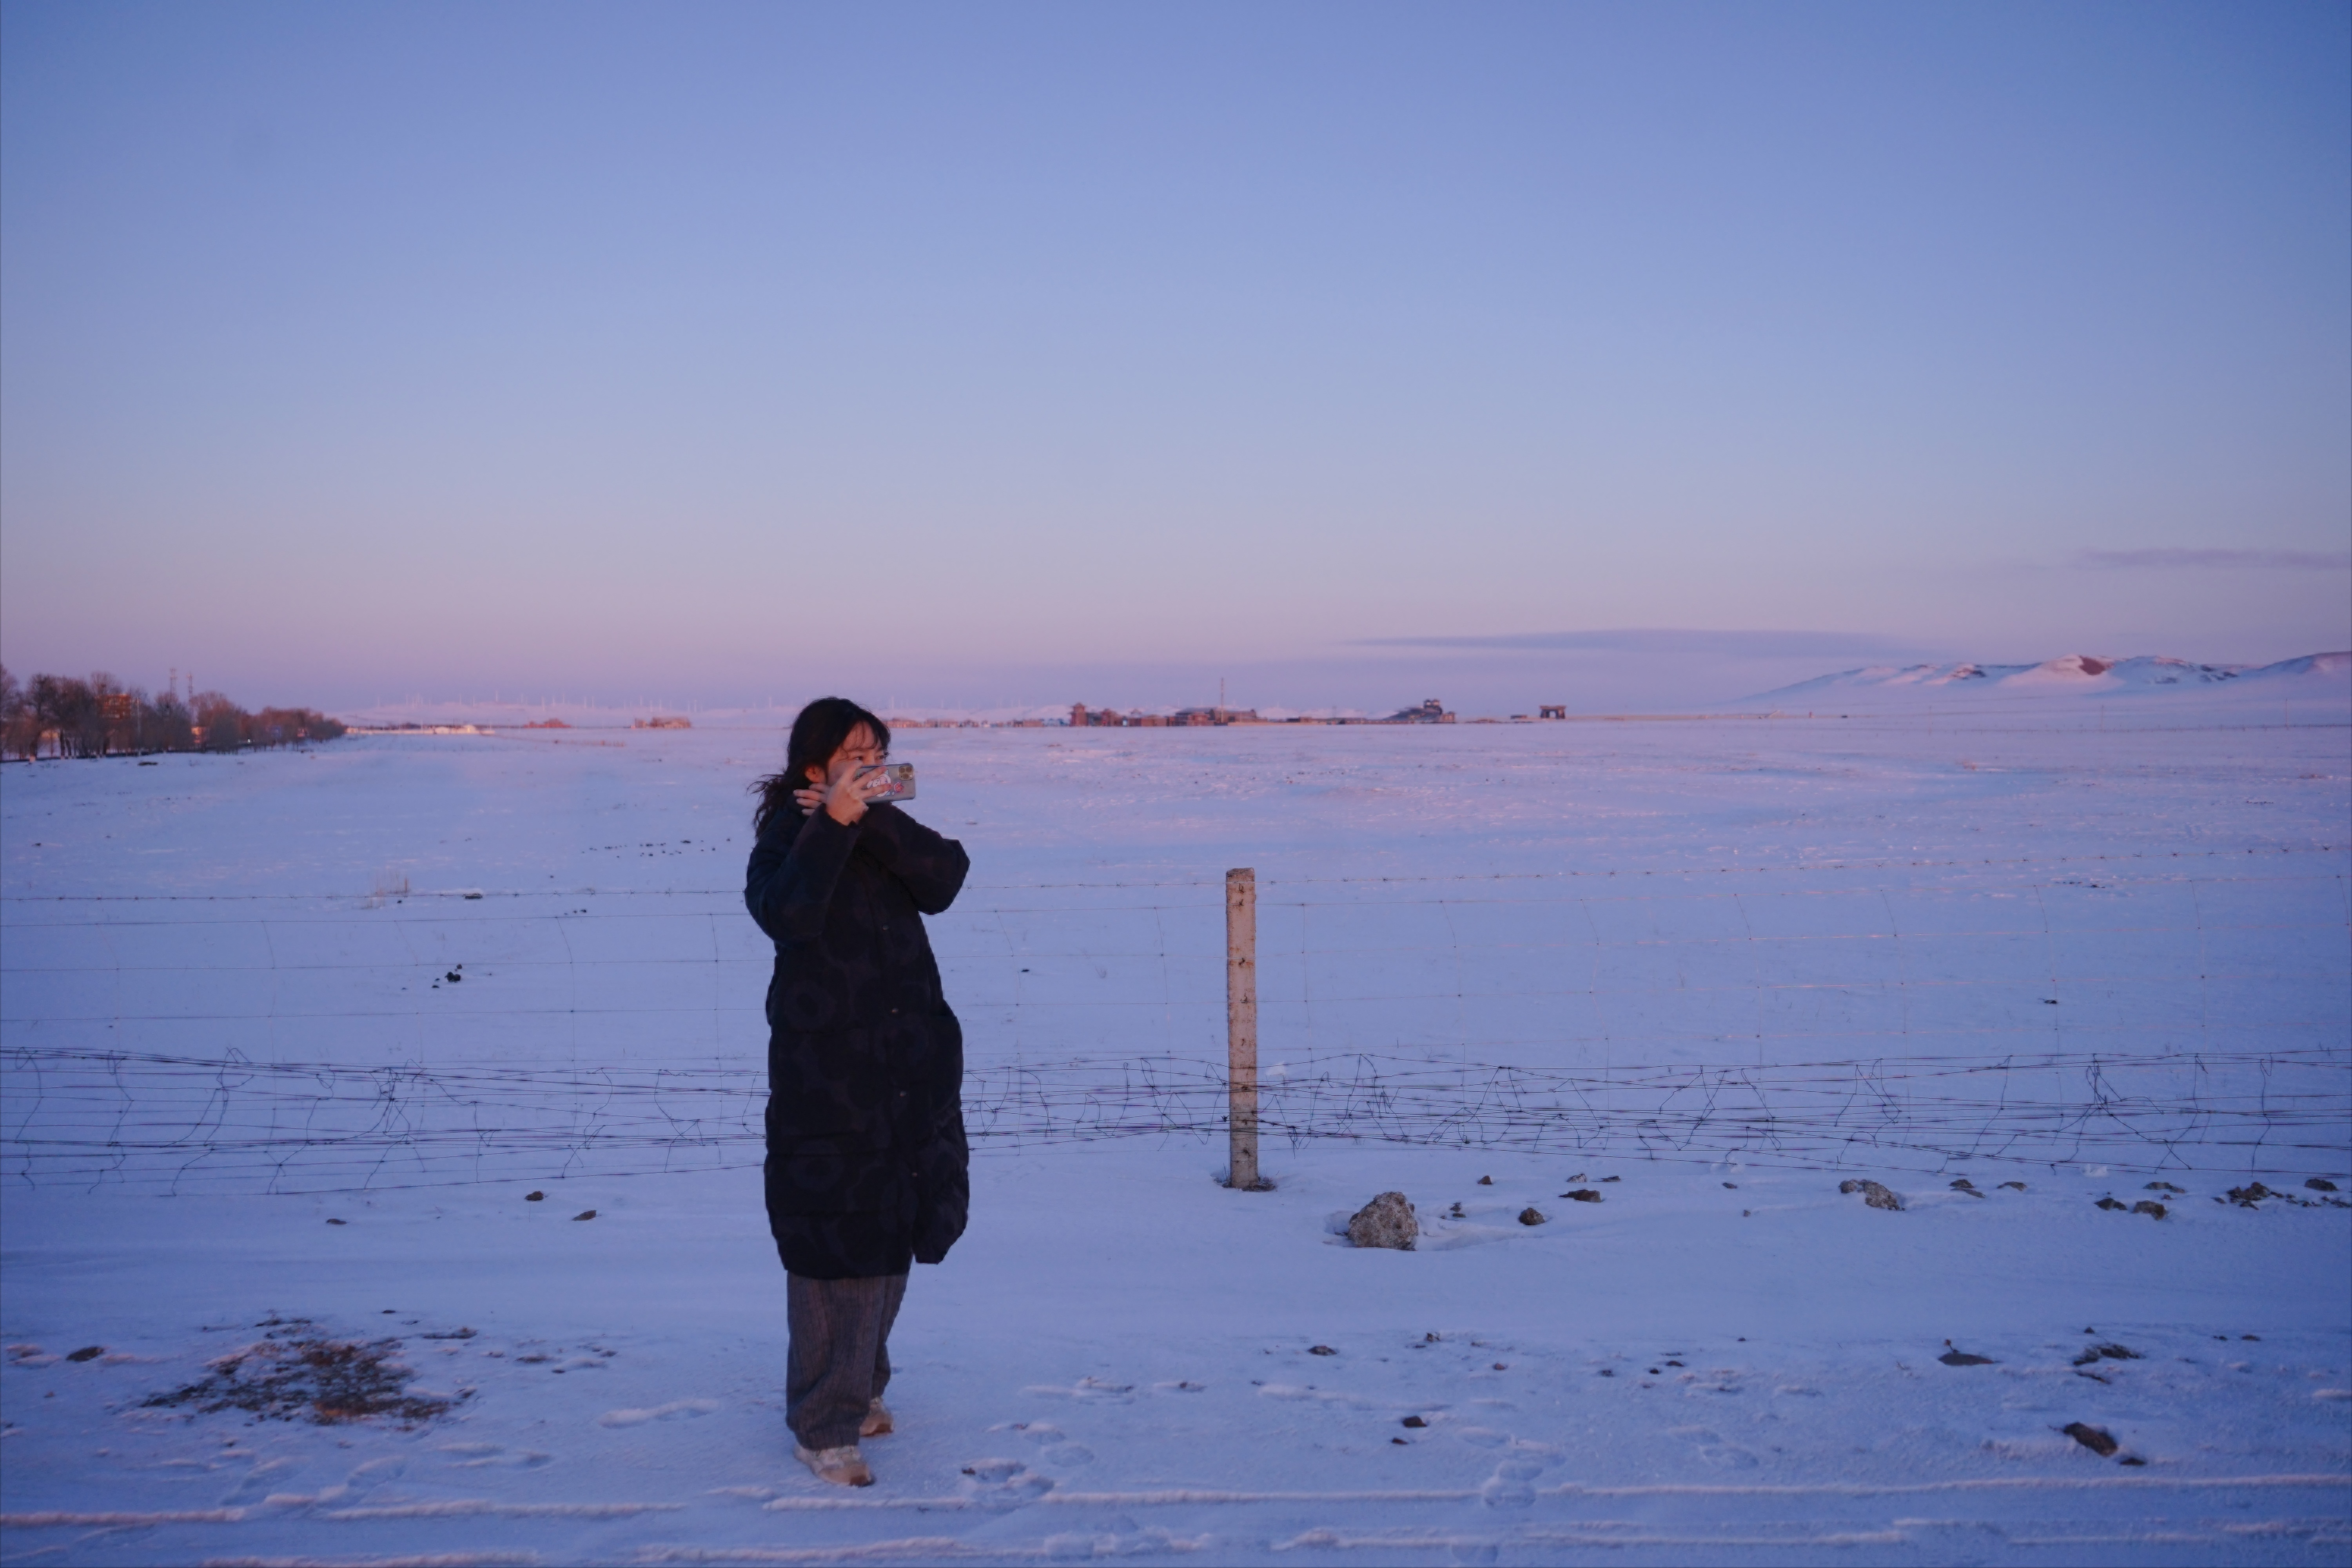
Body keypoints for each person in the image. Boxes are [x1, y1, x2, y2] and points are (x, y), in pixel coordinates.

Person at [745, 697, 971, 1487]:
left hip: (908, 1071)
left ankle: (864, 1384)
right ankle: (822, 1423)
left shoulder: (882, 832)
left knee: (894, 1228)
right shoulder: (787, 836)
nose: (871, 760)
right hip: (828, 1082)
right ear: (815, 766)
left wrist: (868, 821)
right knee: (832, 1251)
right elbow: (789, 913)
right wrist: (832, 825)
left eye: (878, 748)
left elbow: (947, 876)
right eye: (853, 751)